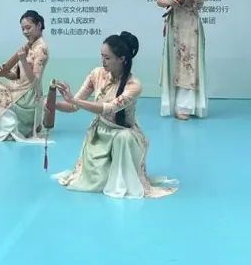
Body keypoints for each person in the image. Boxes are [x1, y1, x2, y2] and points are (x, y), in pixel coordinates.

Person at [52, 32, 177, 199]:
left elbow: (108, 108)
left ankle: (123, 178)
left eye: (107, 58)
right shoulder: (96, 74)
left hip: (123, 134)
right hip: (100, 134)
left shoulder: (134, 85)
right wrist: (53, 104)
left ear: (122, 59)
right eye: (102, 56)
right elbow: (73, 106)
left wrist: (74, 100)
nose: (103, 61)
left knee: (123, 138)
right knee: (95, 182)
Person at [0, 10, 50, 143]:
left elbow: (35, 81)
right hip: (18, 89)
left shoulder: (41, 49)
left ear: (39, 25)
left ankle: (8, 129)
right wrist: (5, 73)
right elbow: (17, 75)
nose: (25, 32)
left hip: (28, 96)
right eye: (23, 29)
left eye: (28, 28)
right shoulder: (28, 46)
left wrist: (23, 60)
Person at [156, 0, 208, 119]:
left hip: (191, 25)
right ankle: (172, 104)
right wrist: (170, 2)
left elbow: (198, 5)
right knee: (175, 63)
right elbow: (159, 0)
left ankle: (185, 106)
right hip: (174, 23)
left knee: (189, 63)